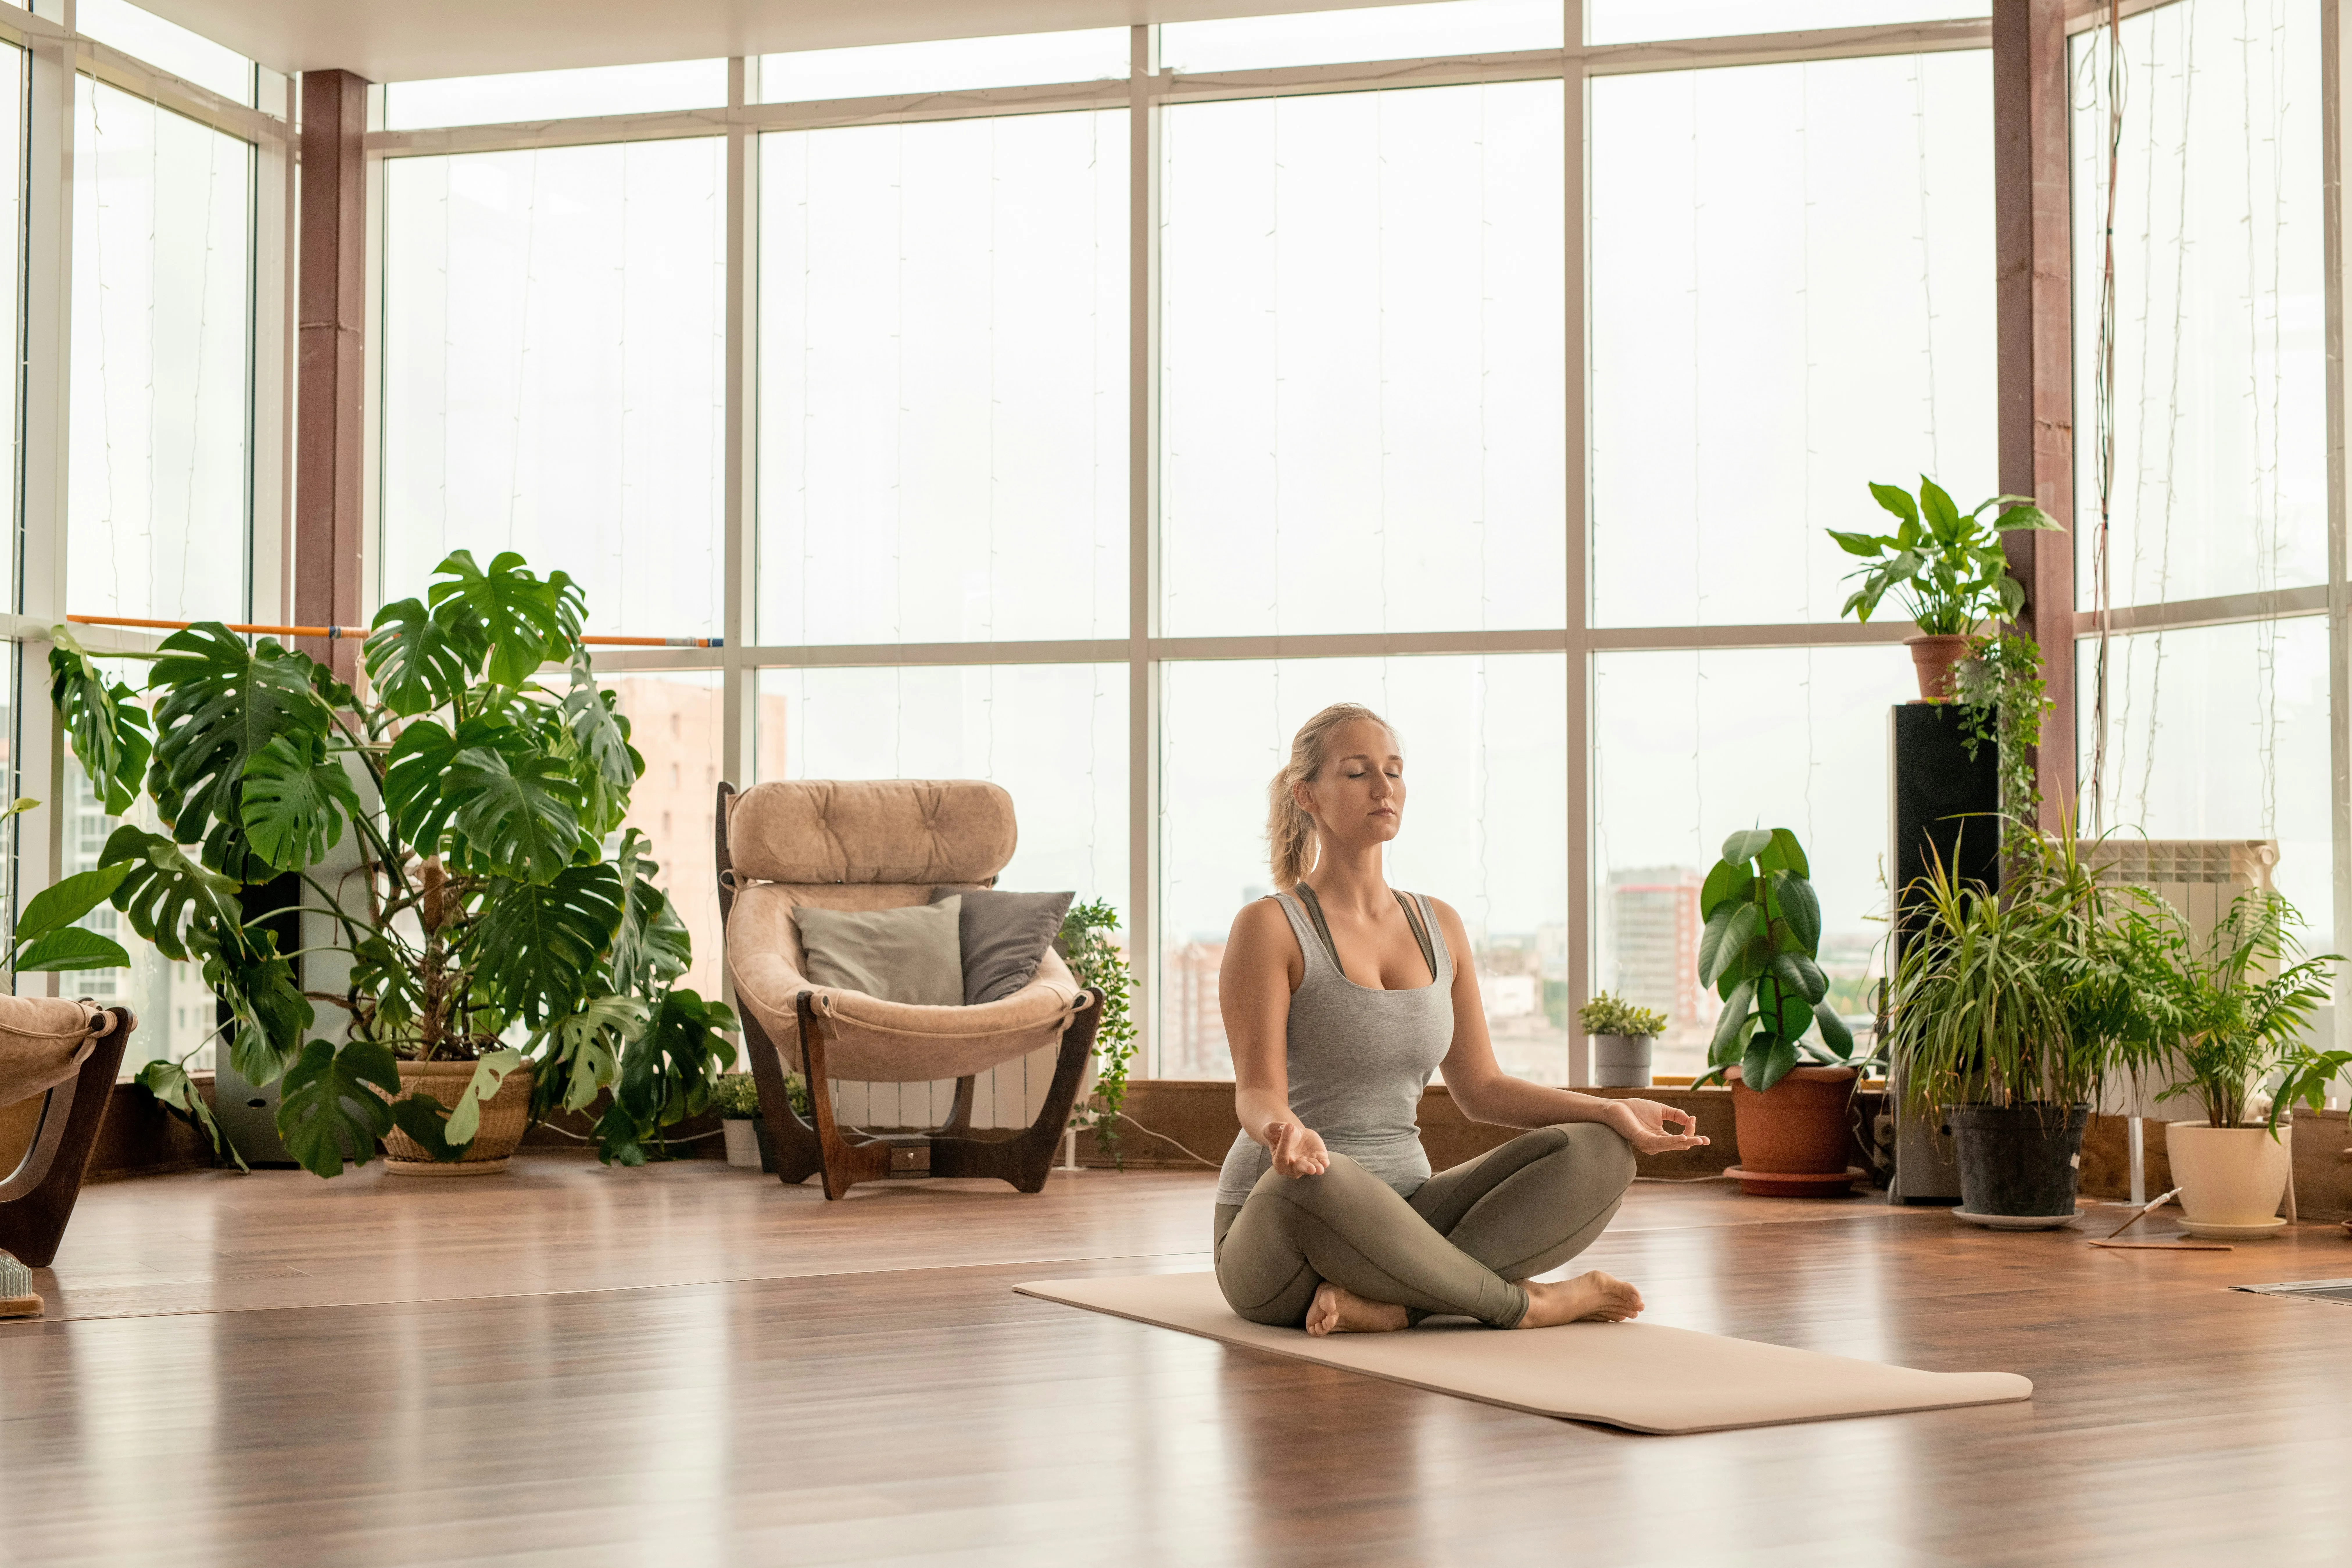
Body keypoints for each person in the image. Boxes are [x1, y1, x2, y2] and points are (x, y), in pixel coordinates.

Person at [1214, 702, 1710, 1336]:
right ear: (1306, 795)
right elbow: (1256, 1093)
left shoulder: (1439, 925)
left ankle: (1400, 1306)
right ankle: (1527, 1305)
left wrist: (1607, 1109)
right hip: (1284, 1225)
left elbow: (1482, 1089)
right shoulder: (1270, 926)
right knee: (1325, 1180)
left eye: (1393, 772)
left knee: (1600, 1153)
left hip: (1413, 1215)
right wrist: (1285, 1131)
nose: (1384, 787)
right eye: (1358, 772)